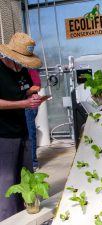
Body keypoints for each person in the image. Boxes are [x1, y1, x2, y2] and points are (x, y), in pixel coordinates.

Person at [0, 32, 43, 221]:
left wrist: (32, 99)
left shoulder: (22, 70)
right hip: (4, 133)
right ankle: (7, 218)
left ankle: (24, 216)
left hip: (22, 130)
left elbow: (23, 93)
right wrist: (23, 105)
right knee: (6, 180)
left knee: (24, 176)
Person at [25, 69, 42, 171]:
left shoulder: (29, 68)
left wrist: (22, 93)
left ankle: (33, 163)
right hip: (19, 105)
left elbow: (37, 85)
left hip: (29, 106)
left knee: (30, 134)